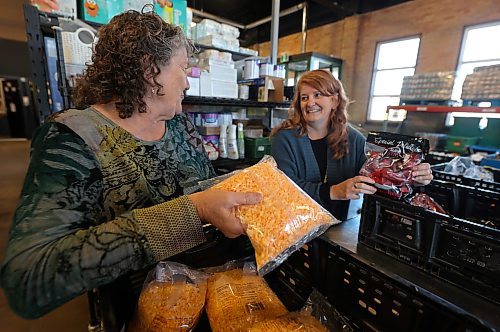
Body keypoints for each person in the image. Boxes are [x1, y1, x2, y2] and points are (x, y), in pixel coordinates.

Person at [0, 9, 261, 319]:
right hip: (147, 313)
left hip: (215, 296)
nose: (188, 83)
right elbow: (28, 278)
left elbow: (200, 185)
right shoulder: (74, 139)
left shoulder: (179, 124)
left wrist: (237, 186)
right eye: (184, 68)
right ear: (151, 72)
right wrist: (194, 211)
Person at [271, 69, 433, 221]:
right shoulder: (284, 138)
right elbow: (284, 189)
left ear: (334, 101)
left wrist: (409, 177)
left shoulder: (354, 139)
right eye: (304, 98)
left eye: (317, 95)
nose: (310, 102)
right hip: (295, 226)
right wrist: (333, 192)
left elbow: (376, 177)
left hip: (338, 227)